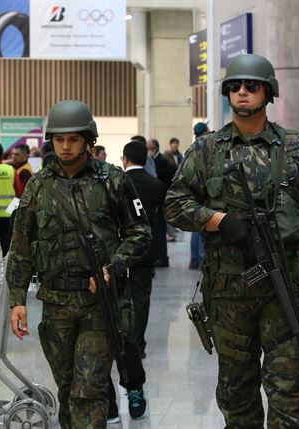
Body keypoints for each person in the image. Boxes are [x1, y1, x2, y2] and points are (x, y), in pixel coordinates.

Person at [164, 54, 299, 427]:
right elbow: (173, 205)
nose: (242, 92)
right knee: (236, 394)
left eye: (251, 85)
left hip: (287, 294)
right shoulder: (206, 150)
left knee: (290, 391)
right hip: (230, 294)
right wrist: (218, 220)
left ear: (269, 92)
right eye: (234, 86)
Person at [6, 100, 151, 428]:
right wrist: (17, 300)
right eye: (59, 140)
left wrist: (111, 268)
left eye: (73, 139)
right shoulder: (38, 186)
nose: (66, 146)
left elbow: (141, 234)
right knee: (68, 387)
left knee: (89, 390)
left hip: (98, 303)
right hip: (55, 303)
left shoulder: (113, 181)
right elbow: (21, 248)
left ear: (89, 141)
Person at [104, 139, 164, 424]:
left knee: (115, 314)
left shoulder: (114, 183)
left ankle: (120, 396)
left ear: (125, 159)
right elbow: (161, 222)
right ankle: (138, 341)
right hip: (142, 253)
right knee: (140, 298)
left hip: (115, 255)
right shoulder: (155, 185)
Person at [149, 138, 176, 267]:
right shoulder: (158, 160)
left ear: (154, 148)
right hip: (162, 200)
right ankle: (160, 256)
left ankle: (161, 257)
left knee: (160, 230)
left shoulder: (159, 162)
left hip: (160, 201)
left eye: (148, 148)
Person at [189, 123, 209, 270]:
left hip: (193, 191)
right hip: (204, 191)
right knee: (203, 227)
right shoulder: (207, 146)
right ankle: (201, 258)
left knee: (196, 228)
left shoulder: (192, 148)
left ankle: (195, 259)